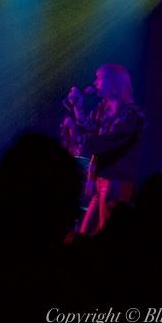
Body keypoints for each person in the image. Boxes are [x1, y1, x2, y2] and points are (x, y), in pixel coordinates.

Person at [62, 63, 147, 235]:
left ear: (114, 84)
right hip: (101, 180)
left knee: (107, 232)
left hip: (117, 181)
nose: (95, 83)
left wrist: (77, 135)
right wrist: (78, 108)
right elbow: (88, 129)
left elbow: (104, 144)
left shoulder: (130, 115)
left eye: (100, 79)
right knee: (85, 233)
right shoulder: (103, 109)